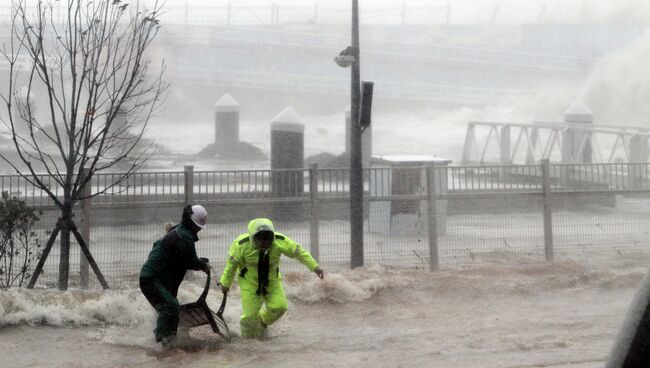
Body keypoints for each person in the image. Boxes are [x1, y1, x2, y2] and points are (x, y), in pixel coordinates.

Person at [219, 218, 324, 338]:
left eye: (268, 239)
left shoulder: (279, 241)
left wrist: (315, 267)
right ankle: (248, 343)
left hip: (272, 281)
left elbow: (298, 252)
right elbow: (231, 266)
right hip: (249, 283)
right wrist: (225, 284)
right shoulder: (241, 245)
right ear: (254, 237)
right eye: (261, 239)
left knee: (280, 307)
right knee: (249, 316)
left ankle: (262, 322)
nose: (264, 243)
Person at [139, 204, 211, 346]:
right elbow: (191, 261)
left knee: (172, 310)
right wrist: (203, 266)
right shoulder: (184, 237)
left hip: (160, 280)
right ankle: (161, 344)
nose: (199, 230)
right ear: (192, 223)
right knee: (170, 307)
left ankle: (169, 343)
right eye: (198, 227)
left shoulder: (178, 232)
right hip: (152, 279)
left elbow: (158, 246)